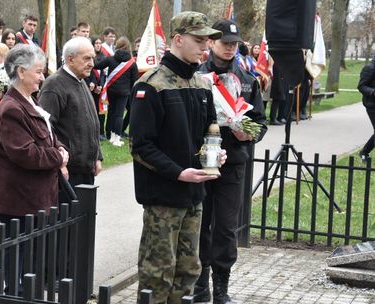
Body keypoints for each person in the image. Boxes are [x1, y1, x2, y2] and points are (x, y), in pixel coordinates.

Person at [130, 11, 224, 303]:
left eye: (207, 41)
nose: (205, 47)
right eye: (199, 40)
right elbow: (141, 146)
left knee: (188, 270)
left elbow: (210, 133)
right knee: (157, 273)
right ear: (178, 39)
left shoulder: (202, 85)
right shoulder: (151, 84)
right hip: (163, 196)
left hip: (194, 193)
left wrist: (216, 154)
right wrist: (178, 172)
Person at [0, 43, 68, 294]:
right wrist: (59, 156)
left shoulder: (28, 102)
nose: (42, 77)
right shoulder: (12, 107)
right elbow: (25, 153)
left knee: (26, 247)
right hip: (16, 194)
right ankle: (14, 293)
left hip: (30, 193)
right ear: (21, 72)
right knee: (17, 249)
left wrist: (60, 150)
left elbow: (48, 136)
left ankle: (21, 290)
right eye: (38, 72)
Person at [195, 19, 267, 304]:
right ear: (211, 42)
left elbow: (260, 123)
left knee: (225, 229)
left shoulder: (248, 81)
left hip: (233, 163)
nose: (229, 48)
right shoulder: (196, 78)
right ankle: (200, 288)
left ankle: (221, 289)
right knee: (200, 226)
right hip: (200, 162)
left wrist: (246, 131)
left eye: (234, 44)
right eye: (225, 42)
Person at [40, 37, 103, 194]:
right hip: (68, 173)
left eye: (93, 58)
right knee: (69, 217)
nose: (92, 64)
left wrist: (97, 156)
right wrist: (59, 164)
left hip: (86, 170)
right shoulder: (54, 85)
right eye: (87, 58)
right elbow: (44, 129)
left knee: (86, 217)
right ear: (70, 59)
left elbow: (91, 122)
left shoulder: (81, 81)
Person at [94, 36, 138, 146]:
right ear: (128, 47)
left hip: (111, 90)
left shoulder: (110, 59)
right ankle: (116, 138)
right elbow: (135, 80)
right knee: (119, 115)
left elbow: (97, 66)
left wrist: (91, 57)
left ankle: (111, 136)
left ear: (117, 46)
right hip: (124, 92)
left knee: (112, 113)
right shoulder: (132, 62)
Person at [89, 35, 106, 141]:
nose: (98, 45)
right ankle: (93, 133)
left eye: (100, 43)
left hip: (100, 87)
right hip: (91, 87)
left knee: (102, 111)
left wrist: (101, 85)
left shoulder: (103, 57)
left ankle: (101, 132)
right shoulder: (90, 56)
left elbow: (104, 73)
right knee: (92, 110)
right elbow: (89, 72)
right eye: (96, 43)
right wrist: (94, 85)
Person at [358, 57, 375, 164]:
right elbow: (361, 86)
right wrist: (373, 92)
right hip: (372, 105)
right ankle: (364, 152)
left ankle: (364, 152)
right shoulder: (369, 68)